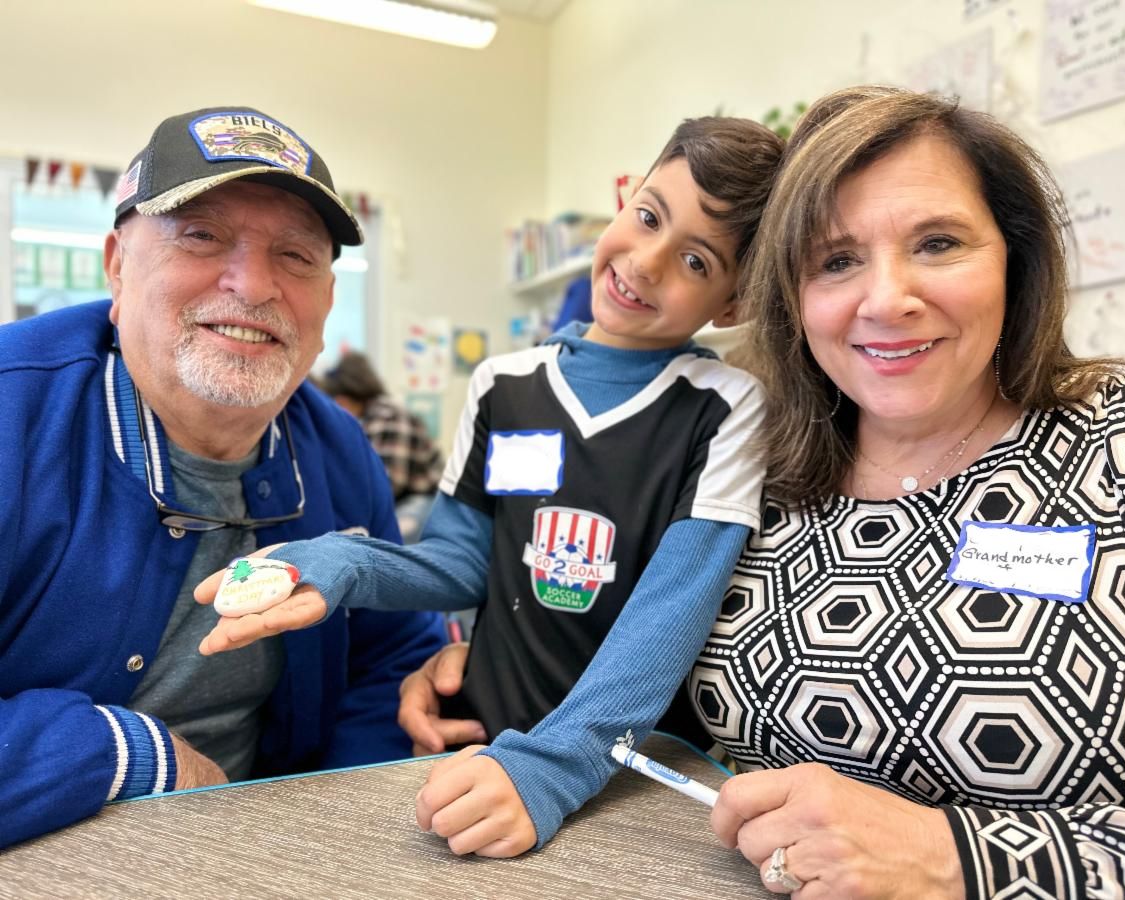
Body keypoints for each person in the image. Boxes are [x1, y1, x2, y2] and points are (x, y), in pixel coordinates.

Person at [195, 116, 785, 856]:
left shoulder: (726, 406)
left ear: (734, 304)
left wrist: (557, 764)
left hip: (619, 772)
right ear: (627, 197)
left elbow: (672, 610)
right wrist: (343, 563)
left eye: (697, 260)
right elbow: (461, 561)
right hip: (484, 745)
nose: (646, 262)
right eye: (648, 217)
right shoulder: (504, 386)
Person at [692, 85, 1125, 898]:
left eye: (937, 243)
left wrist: (955, 856)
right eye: (836, 261)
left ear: (1015, 257)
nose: (888, 299)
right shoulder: (753, 472)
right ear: (793, 298)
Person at [0, 105, 446, 849]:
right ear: (117, 266)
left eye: (296, 255)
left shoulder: (338, 449)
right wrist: (126, 756)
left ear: (328, 300)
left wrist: (329, 834)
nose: (254, 284)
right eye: (201, 236)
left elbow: (392, 658)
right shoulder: (15, 414)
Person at [320, 350, 443, 506]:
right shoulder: (365, 418)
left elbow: (392, 482)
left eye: (337, 401)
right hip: (396, 496)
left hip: (420, 496)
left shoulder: (389, 416)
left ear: (348, 396)